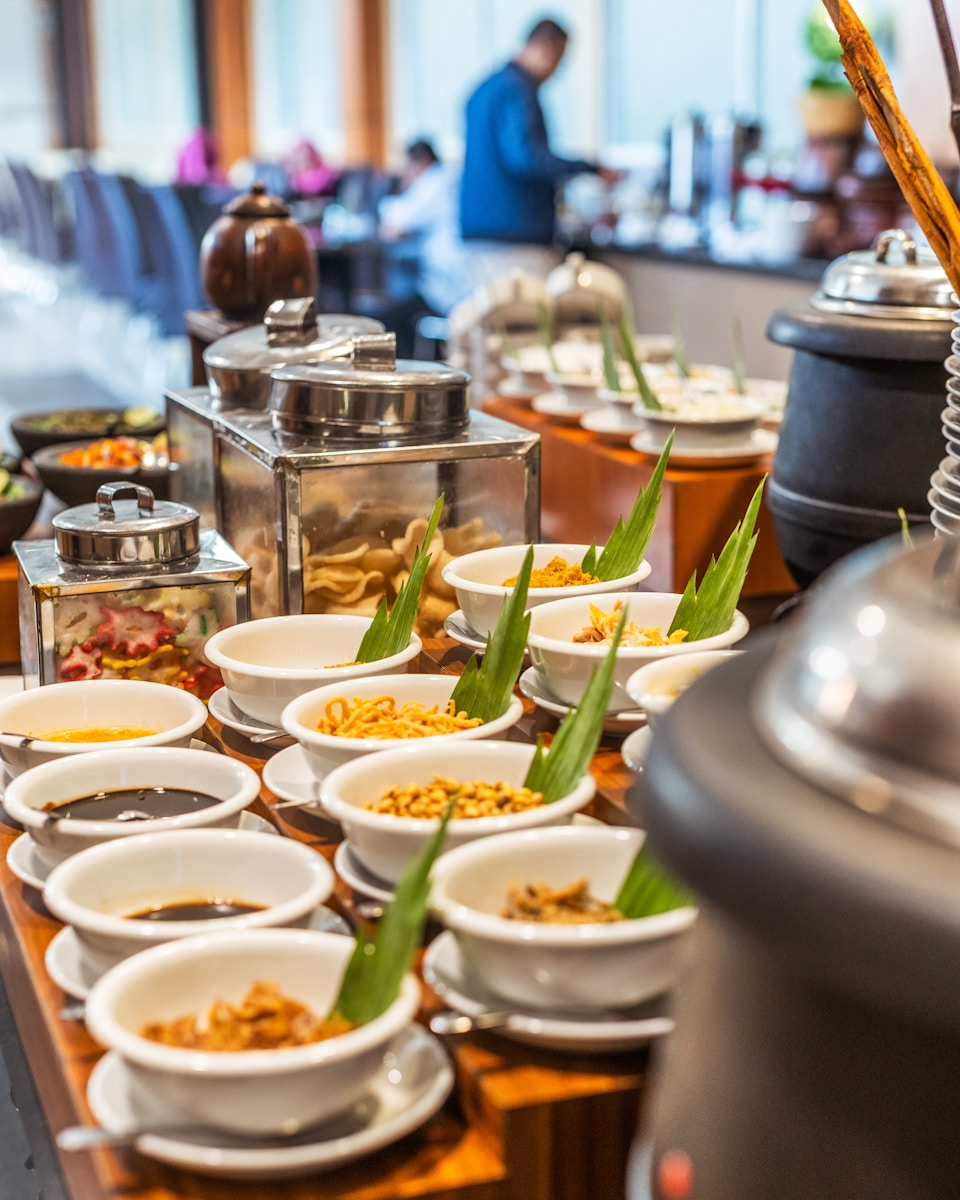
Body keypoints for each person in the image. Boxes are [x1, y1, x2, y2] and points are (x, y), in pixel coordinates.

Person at [459, 17, 619, 281]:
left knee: (493, 318)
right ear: (546, 50)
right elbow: (526, 158)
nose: (556, 71)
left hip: (480, 236)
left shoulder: (484, 89)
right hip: (516, 237)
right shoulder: (518, 88)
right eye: (559, 60)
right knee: (534, 319)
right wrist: (590, 168)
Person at [378, 138, 474, 319]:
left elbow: (393, 229)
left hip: (447, 286)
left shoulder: (433, 181)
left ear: (420, 161)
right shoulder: (446, 178)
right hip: (458, 276)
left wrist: (404, 186)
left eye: (407, 166)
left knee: (391, 317)